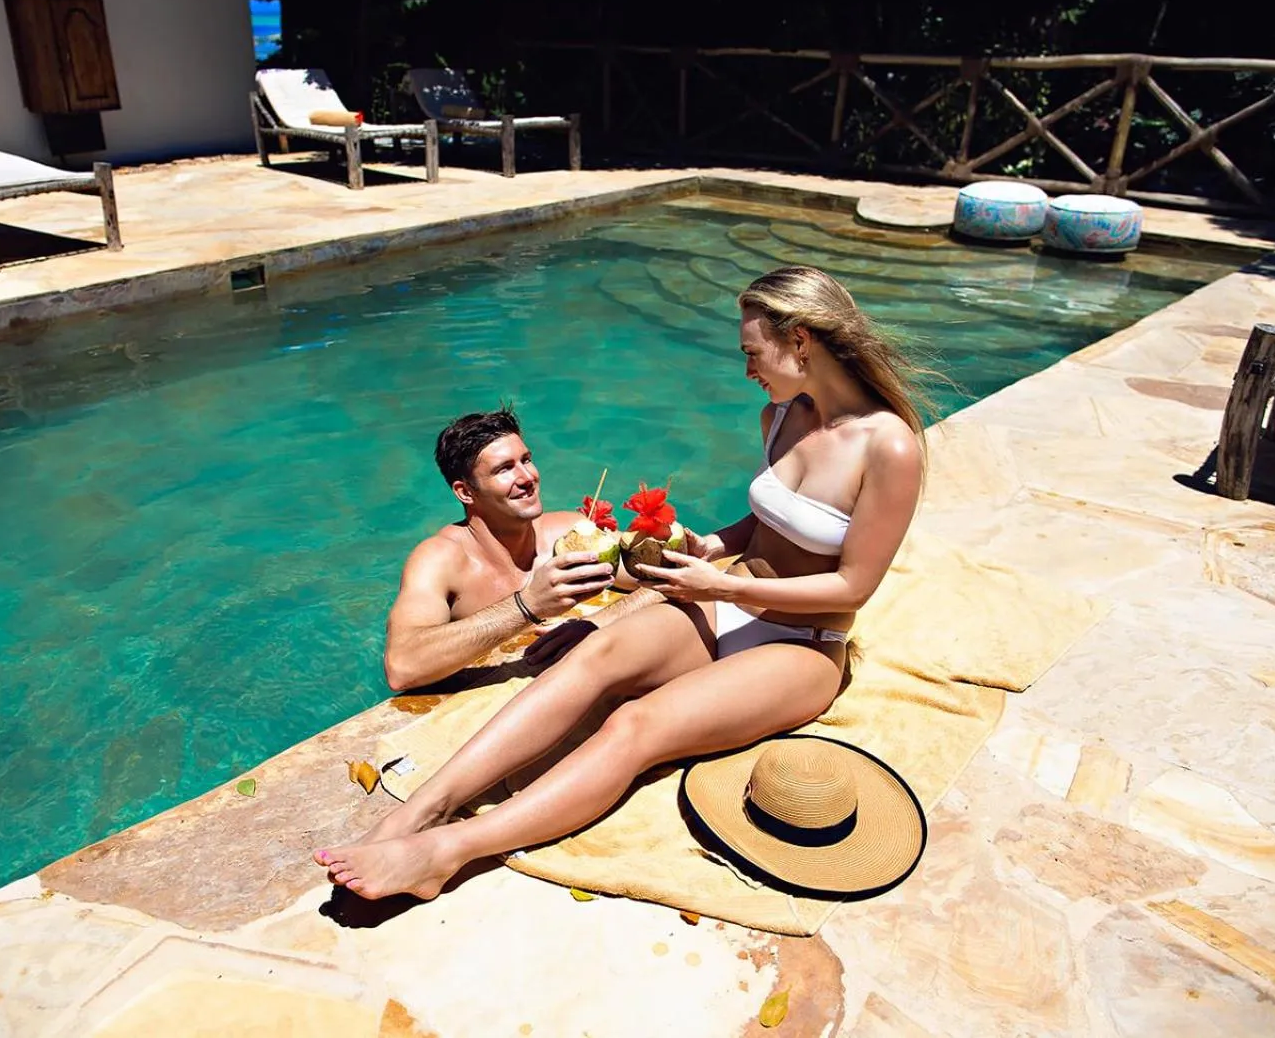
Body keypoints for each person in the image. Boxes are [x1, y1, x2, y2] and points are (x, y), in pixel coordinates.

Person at [315, 265, 929, 900]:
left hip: (802, 645)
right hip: (729, 602)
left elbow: (854, 587)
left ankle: (445, 852)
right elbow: (772, 517)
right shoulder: (782, 416)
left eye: (752, 352)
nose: (747, 369)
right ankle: (418, 811)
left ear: (800, 340)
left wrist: (720, 587)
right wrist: (712, 548)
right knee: (591, 658)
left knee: (636, 727)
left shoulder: (890, 448)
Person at [383, 406, 662, 692]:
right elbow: (402, 667)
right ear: (465, 492)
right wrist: (528, 604)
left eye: (526, 460)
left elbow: (674, 577)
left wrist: (602, 620)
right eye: (504, 469)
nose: (527, 477)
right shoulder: (441, 560)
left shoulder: (572, 533)